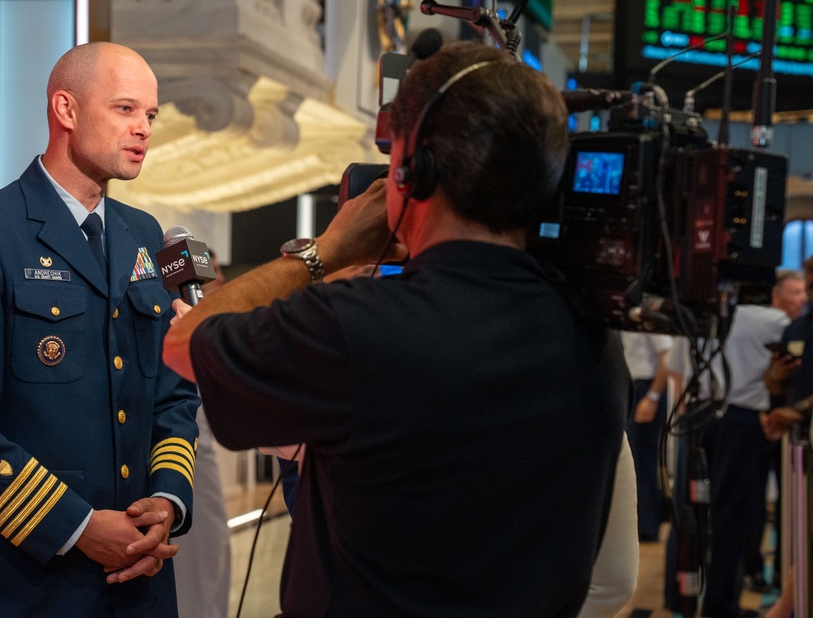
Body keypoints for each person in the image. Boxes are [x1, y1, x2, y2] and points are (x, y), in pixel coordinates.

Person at [127, 41, 629, 615]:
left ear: (412, 172)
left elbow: (185, 342)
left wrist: (324, 250)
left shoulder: (361, 327)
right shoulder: (592, 331)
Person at [0, 42, 200, 617]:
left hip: (140, 583)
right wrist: (79, 526)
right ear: (65, 110)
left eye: (150, 115)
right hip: (26, 585)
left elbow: (173, 393)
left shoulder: (147, 235)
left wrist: (167, 499)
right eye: (125, 109)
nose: (143, 128)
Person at [663, 271, 805, 618]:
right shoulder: (773, 320)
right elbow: (790, 363)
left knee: (689, 512)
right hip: (742, 420)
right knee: (730, 517)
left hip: (699, 415)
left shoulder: (701, 312)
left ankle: (675, 595)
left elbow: (681, 368)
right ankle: (719, 605)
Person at [172, 251, 231, 618]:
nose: (220, 283)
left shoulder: (215, 331)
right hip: (185, 458)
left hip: (206, 457)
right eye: (214, 277)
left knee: (213, 558)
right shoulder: (180, 328)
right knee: (196, 568)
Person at [620, 331, 672, 542]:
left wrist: (652, 396)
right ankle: (644, 523)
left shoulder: (649, 315)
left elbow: (666, 357)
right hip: (634, 385)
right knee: (637, 460)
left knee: (643, 460)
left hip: (647, 387)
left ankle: (649, 526)